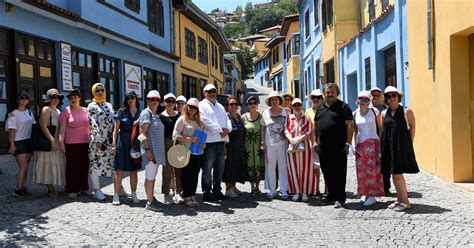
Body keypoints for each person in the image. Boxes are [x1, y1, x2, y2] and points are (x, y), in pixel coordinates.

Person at [378, 86, 419, 212]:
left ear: (398, 96)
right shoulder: (384, 113)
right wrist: (381, 149)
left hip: (401, 148)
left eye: (394, 95)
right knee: (393, 175)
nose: (391, 98)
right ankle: (399, 199)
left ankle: (405, 202)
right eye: (388, 96)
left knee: (398, 175)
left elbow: (412, 127)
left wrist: (409, 144)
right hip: (389, 148)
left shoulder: (407, 111)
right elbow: (383, 131)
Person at [314, 83, 353, 208]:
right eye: (327, 92)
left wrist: (348, 143)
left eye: (332, 92)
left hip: (339, 146)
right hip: (323, 147)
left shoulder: (343, 107)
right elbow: (316, 125)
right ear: (324, 94)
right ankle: (331, 195)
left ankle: (340, 198)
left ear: (337, 93)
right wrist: (315, 141)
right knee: (327, 172)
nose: (329, 94)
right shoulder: (320, 108)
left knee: (339, 172)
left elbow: (350, 125)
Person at [199, 84, 232, 202]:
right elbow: (204, 121)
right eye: (209, 91)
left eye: (214, 91)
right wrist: (220, 130)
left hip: (221, 141)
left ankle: (217, 191)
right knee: (207, 169)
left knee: (219, 168)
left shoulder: (220, 106)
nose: (212, 93)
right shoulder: (201, 105)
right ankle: (207, 192)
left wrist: (228, 129)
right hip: (210, 142)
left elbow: (227, 119)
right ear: (204, 93)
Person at [31, 88, 66, 197]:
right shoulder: (46, 109)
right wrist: (52, 140)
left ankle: (55, 185)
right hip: (48, 139)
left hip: (56, 138)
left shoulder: (58, 110)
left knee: (55, 163)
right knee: (47, 164)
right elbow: (43, 126)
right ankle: (50, 188)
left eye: (57, 97)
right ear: (49, 99)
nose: (55, 99)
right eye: (52, 97)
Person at [173, 98, 206, 207]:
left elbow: (202, 136)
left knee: (195, 175)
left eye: (195, 108)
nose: (192, 109)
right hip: (186, 152)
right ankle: (187, 195)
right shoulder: (182, 119)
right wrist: (189, 139)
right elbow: (175, 136)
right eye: (190, 107)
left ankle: (192, 195)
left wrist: (203, 144)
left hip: (198, 152)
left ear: (197, 109)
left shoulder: (199, 122)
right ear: (187, 107)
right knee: (186, 175)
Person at [353, 91, 384, 206]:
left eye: (366, 100)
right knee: (361, 171)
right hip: (361, 145)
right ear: (357, 100)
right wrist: (354, 145)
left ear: (369, 101)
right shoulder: (355, 113)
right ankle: (364, 192)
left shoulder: (374, 112)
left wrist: (381, 145)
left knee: (372, 171)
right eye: (361, 99)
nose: (363, 102)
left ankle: (372, 195)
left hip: (373, 144)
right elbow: (355, 131)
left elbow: (380, 128)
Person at [59, 88, 90, 199]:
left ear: (79, 98)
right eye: (71, 98)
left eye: (75, 97)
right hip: (71, 143)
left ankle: (84, 187)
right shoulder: (65, 111)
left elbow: (91, 127)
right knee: (72, 167)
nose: (73, 99)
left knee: (85, 166)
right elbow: (62, 129)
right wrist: (61, 142)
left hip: (86, 142)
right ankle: (72, 189)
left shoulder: (86, 110)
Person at [111, 91, 141, 205]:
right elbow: (115, 129)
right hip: (122, 143)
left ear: (136, 99)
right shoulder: (121, 112)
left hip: (135, 144)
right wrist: (114, 143)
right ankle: (116, 195)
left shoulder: (141, 113)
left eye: (132, 97)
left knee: (134, 171)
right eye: (128, 98)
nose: (130, 100)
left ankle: (134, 194)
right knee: (119, 171)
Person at [139, 90, 166, 212]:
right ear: (147, 100)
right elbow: (142, 134)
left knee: (153, 176)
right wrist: (148, 150)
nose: (155, 101)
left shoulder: (154, 114)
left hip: (156, 151)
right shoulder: (146, 113)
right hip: (151, 151)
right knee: (149, 176)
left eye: (157, 99)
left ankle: (151, 198)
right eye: (152, 99)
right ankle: (149, 202)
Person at [87, 83, 115, 201]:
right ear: (93, 92)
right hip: (98, 141)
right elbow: (92, 123)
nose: (99, 92)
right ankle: (96, 189)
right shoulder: (91, 106)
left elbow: (113, 120)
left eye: (102, 90)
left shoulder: (109, 104)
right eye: (97, 90)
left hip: (109, 140)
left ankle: (119, 187)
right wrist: (98, 140)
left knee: (112, 163)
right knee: (95, 164)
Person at [285, 98, 316, 202]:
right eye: (295, 105)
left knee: (305, 169)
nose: (297, 107)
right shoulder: (289, 118)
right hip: (292, 146)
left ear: (302, 106)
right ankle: (296, 191)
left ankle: (305, 191)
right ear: (292, 107)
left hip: (305, 147)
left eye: (299, 105)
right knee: (293, 168)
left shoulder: (307, 117)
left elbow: (309, 131)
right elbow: (286, 130)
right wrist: (291, 139)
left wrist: (299, 139)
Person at [6, 91, 35, 197]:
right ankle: (18, 188)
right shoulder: (13, 113)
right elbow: (11, 130)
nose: (24, 100)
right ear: (18, 100)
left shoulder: (29, 112)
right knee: (23, 166)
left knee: (26, 166)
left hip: (28, 141)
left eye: (26, 98)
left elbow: (33, 126)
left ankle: (23, 186)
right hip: (19, 141)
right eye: (22, 98)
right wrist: (12, 144)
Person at [261, 92, 289, 199]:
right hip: (270, 145)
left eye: (276, 99)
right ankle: (271, 190)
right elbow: (262, 128)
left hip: (283, 145)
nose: (274, 101)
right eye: (272, 100)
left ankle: (284, 190)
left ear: (279, 100)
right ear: (269, 102)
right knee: (270, 167)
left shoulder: (285, 112)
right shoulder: (265, 113)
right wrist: (263, 142)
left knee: (283, 167)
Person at [160, 93, 183, 204]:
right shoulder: (161, 116)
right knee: (167, 170)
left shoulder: (178, 116)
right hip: (166, 143)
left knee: (178, 169)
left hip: (177, 142)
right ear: (164, 102)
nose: (170, 103)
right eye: (168, 101)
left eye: (172, 101)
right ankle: (166, 194)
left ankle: (178, 192)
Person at [223, 96, 247, 198]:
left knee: (236, 167)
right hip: (229, 146)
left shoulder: (239, 116)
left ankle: (233, 186)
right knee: (229, 168)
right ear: (227, 106)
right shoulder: (226, 117)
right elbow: (224, 132)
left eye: (235, 104)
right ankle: (228, 189)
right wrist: (224, 148)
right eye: (231, 104)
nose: (234, 106)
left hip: (239, 147)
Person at [371, 87, 391, 196]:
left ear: (382, 97)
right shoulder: (368, 110)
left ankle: (386, 187)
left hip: (384, 141)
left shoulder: (385, 110)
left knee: (385, 164)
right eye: (373, 95)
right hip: (372, 142)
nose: (375, 97)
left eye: (377, 95)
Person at [242, 96, 264, 195]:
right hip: (248, 146)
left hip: (258, 145)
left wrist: (263, 143)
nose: (252, 105)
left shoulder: (261, 117)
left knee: (258, 165)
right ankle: (252, 188)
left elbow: (263, 131)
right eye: (250, 103)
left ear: (257, 105)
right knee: (250, 164)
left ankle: (258, 187)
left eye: (254, 103)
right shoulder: (243, 117)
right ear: (247, 105)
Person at [305, 89, 324, 195]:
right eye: (313, 97)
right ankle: (316, 187)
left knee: (326, 166)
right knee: (315, 166)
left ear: (322, 99)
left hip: (325, 142)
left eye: (318, 97)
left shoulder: (326, 110)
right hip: (312, 143)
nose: (316, 100)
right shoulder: (307, 112)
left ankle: (328, 188)